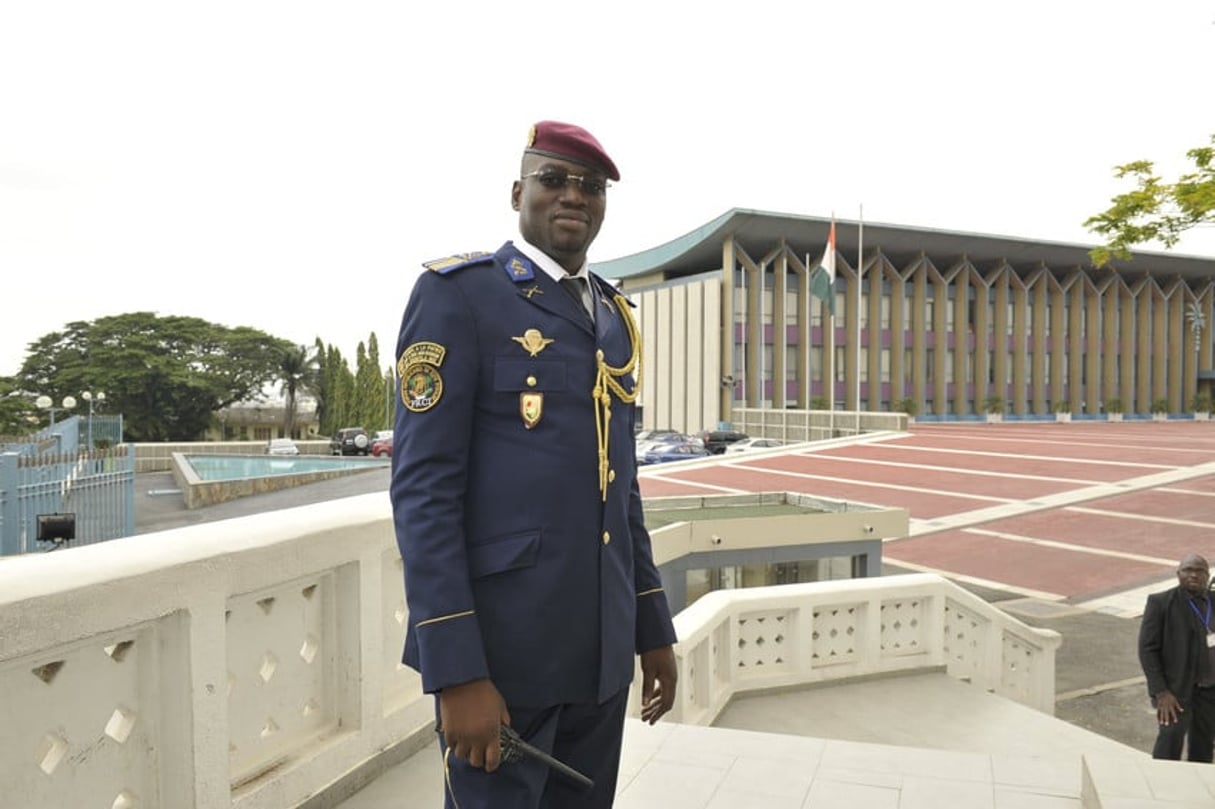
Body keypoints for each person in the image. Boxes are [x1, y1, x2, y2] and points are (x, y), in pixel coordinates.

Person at [390, 120, 678, 809]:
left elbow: (620, 490)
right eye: (554, 180)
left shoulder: (613, 314)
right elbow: (423, 492)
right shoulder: (458, 294)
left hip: (599, 659)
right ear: (519, 191)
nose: (572, 195)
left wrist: (651, 626)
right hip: (503, 661)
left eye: (590, 185)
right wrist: (454, 669)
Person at [1137, 553, 1215, 761]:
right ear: (1178, 574)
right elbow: (1147, 650)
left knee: (1204, 744)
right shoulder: (1161, 603)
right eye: (1187, 570)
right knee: (1170, 740)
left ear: (1207, 575)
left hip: (1209, 691)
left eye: (1199, 571)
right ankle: (1161, 786)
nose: (1193, 575)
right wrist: (1161, 692)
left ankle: (1197, 788)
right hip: (1174, 692)